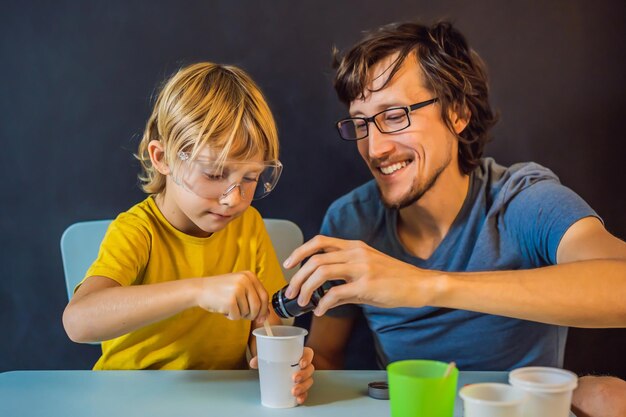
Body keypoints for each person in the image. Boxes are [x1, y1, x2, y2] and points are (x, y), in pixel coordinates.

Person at [282, 22, 626, 415]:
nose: (374, 148)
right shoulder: (350, 219)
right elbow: (324, 359)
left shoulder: (522, 200)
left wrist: (425, 285)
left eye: (394, 116)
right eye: (361, 123)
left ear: (458, 113)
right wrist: (297, 373)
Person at [62, 62, 314, 404]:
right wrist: (197, 290)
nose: (232, 200)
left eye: (250, 179)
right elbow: (78, 322)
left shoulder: (248, 224)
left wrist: (277, 362)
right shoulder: (139, 230)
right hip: (128, 401)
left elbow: (263, 321)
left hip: (223, 401)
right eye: (213, 175)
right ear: (162, 157)